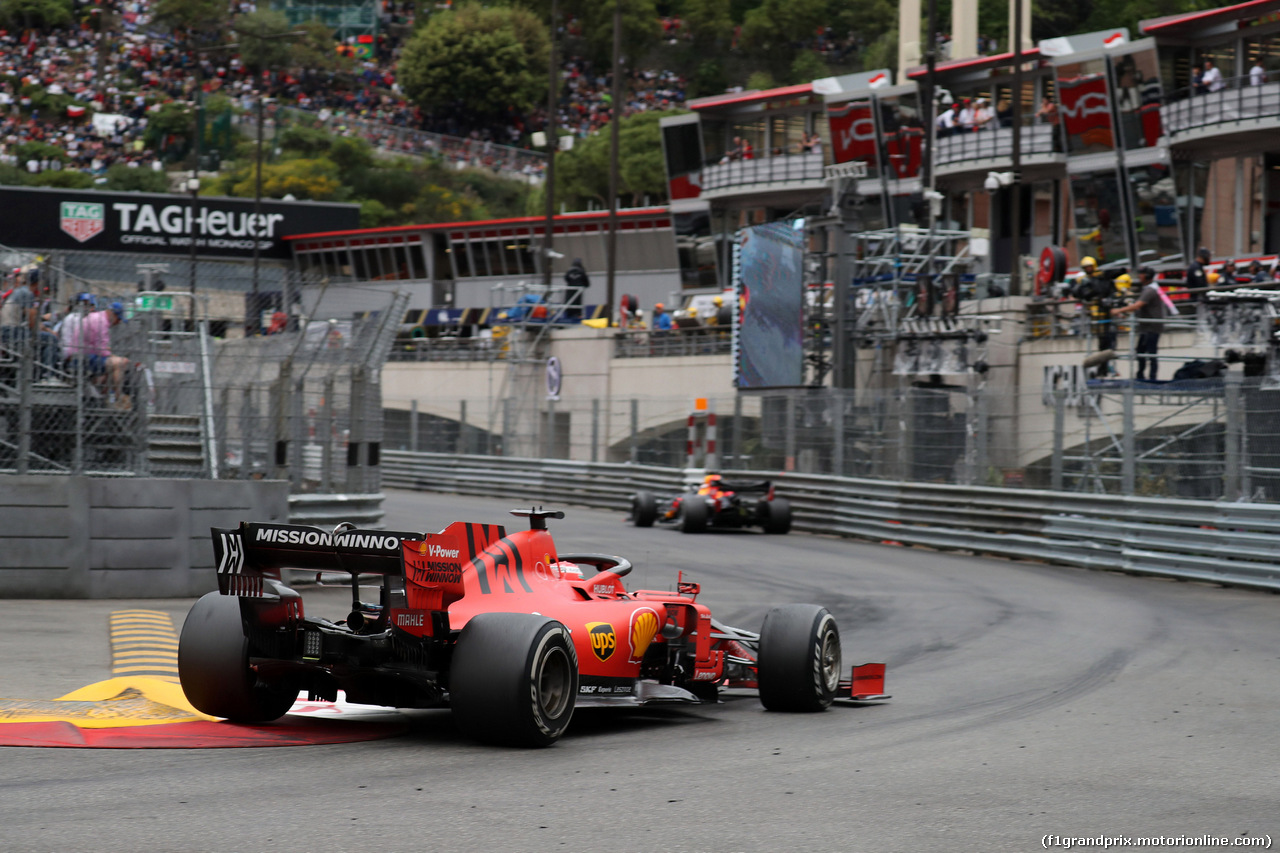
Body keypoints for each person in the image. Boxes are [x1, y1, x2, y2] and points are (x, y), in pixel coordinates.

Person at [63, 301, 130, 408]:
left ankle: (104, 398)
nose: (118, 323)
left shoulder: (98, 317)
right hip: (81, 357)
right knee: (121, 362)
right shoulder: (101, 322)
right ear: (112, 314)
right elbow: (102, 351)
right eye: (118, 319)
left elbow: (99, 347)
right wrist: (114, 356)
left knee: (112, 368)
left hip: (82, 355)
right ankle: (118, 398)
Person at [1111, 267, 1169, 381]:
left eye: (1141, 274)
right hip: (1146, 327)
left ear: (1147, 276)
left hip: (1152, 327)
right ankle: (1141, 375)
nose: (1139, 276)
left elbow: (1137, 305)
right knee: (1140, 351)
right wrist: (1124, 314)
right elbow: (1138, 308)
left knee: (1151, 353)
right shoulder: (1147, 289)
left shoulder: (1150, 290)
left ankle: (1152, 378)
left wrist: (1118, 310)